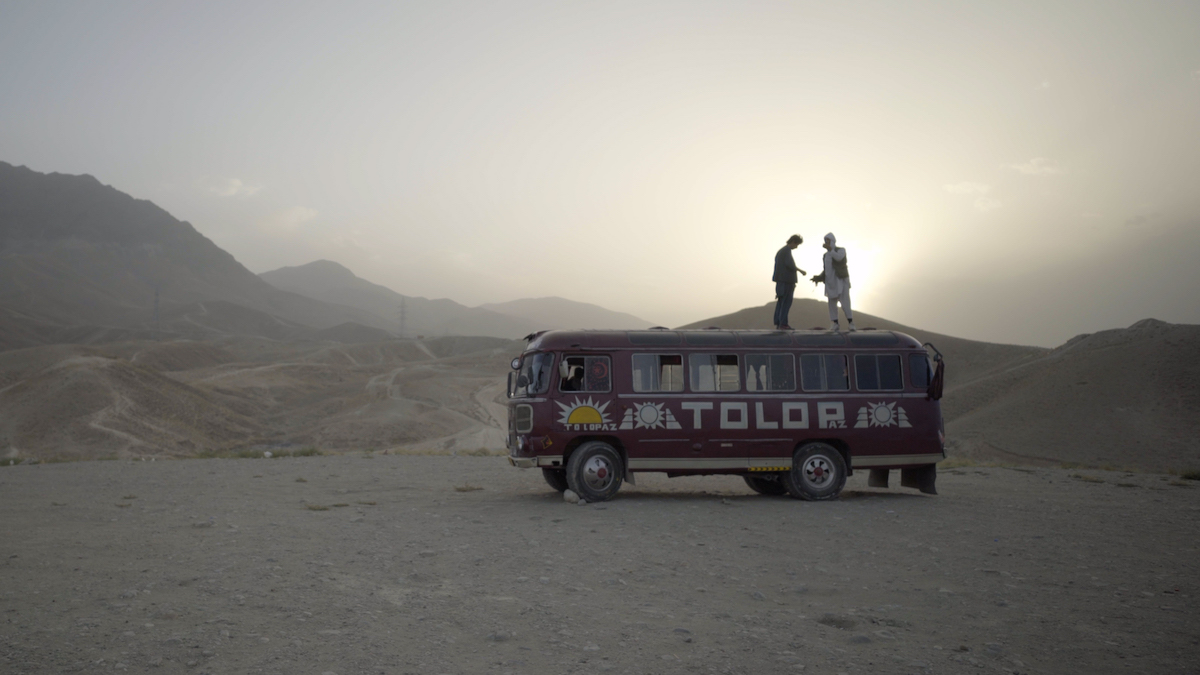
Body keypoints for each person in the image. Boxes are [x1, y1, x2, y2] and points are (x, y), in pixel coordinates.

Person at [811, 232, 855, 331]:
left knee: (845, 303)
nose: (827, 242)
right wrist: (818, 277)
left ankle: (851, 323)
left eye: (828, 241)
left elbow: (838, 259)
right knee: (832, 304)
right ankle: (835, 323)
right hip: (830, 283)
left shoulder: (841, 250)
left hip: (841, 281)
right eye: (825, 241)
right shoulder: (825, 255)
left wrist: (831, 249)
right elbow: (827, 269)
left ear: (833, 241)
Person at [772, 235, 806, 329]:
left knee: (781, 301)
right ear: (794, 241)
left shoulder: (782, 251)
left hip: (781, 281)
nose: (796, 247)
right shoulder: (786, 251)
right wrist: (801, 271)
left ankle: (779, 322)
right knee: (786, 302)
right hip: (786, 281)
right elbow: (789, 265)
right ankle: (783, 323)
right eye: (797, 244)